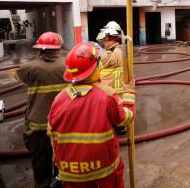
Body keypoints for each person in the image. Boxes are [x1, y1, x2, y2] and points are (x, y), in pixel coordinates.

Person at [47, 42, 136, 188]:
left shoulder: (59, 99)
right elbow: (124, 118)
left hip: (70, 174)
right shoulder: (106, 95)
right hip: (104, 173)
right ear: (94, 68)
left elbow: (51, 133)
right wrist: (130, 93)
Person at [16, 32, 66, 188]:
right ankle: (60, 181)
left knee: (40, 160)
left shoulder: (29, 68)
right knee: (62, 158)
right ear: (58, 47)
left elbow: (21, 77)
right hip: (62, 123)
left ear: (39, 48)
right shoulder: (67, 65)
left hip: (38, 125)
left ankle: (42, 184)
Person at [96, 21, 126, 94]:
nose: (103, 41)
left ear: (111, 39)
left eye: (105, 38)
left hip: (112, 93)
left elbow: (105, 61)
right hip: (108, 91)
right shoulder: (116, 50)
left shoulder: (116, 52)